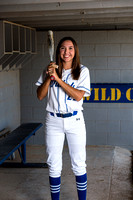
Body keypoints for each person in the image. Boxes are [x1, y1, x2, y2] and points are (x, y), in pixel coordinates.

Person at [36, 36, 91, 200]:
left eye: (70, 48)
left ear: (75, 52)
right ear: (58, 51)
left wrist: (58, 79)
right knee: (53, 165)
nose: (66, 52)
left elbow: (78, 96)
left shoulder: (82, 71)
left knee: (79, 164)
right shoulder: (49, 69)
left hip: (75, 121)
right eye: (63, 48)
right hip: (53, 121)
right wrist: (49, 76)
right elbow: (40, 96)